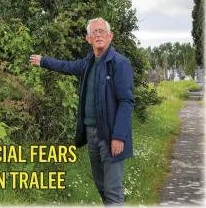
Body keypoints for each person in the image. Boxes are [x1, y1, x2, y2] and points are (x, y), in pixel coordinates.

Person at [29, 17, 134, 205]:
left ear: (110, 36)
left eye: (102, 31)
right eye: (94, 32)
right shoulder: (88, 63)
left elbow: (126, 102)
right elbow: (65, 66)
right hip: (92, 134)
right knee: (101, 186)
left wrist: (119, 136)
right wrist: (43, 61)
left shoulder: (119, 63)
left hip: (110, 135)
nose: (98, 35)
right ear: (88, 39)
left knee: (113, 190)